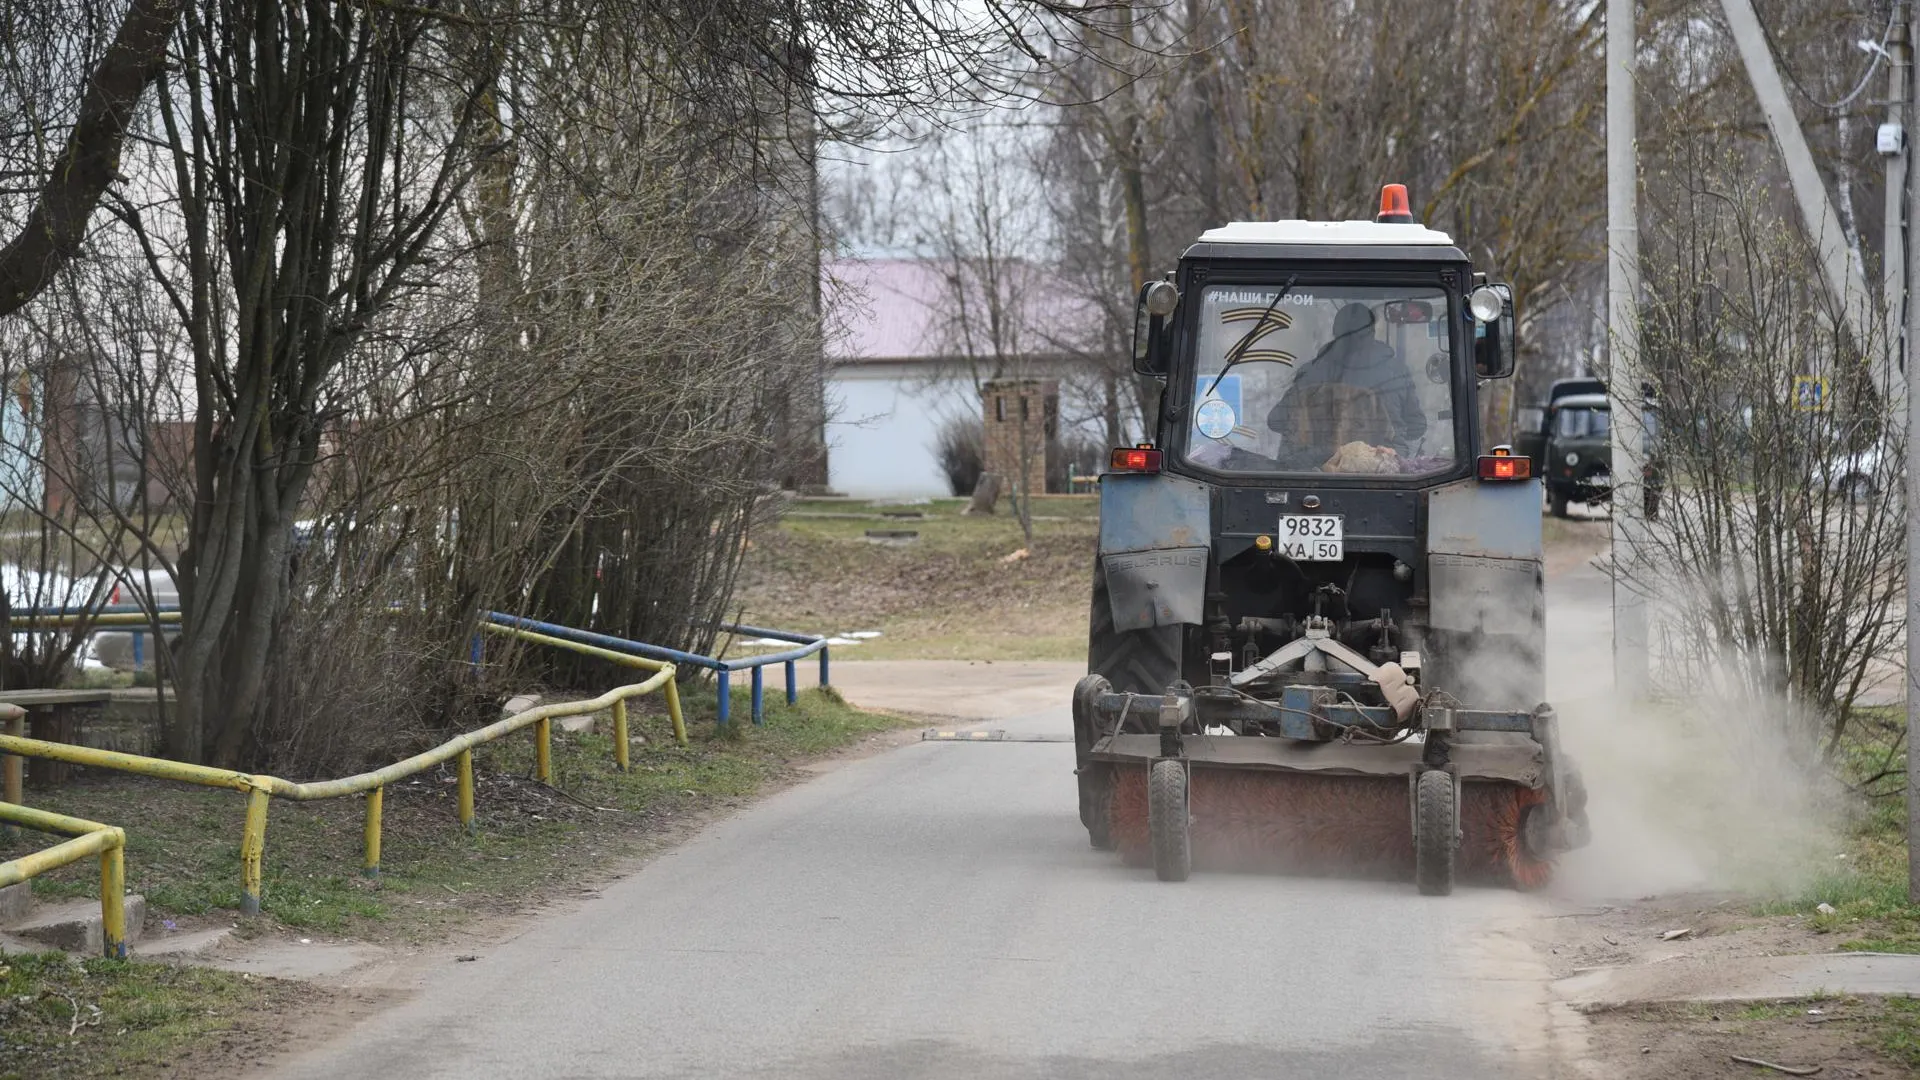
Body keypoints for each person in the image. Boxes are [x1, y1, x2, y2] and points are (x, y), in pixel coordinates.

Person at [1266, 302, 1425, 462]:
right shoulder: (1396, 372)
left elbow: (1276, 420)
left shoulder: (1310, 373)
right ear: (1372, 333)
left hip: (1312, 474)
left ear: (1335, 333)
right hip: (1383, 476)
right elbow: (1417, 426)